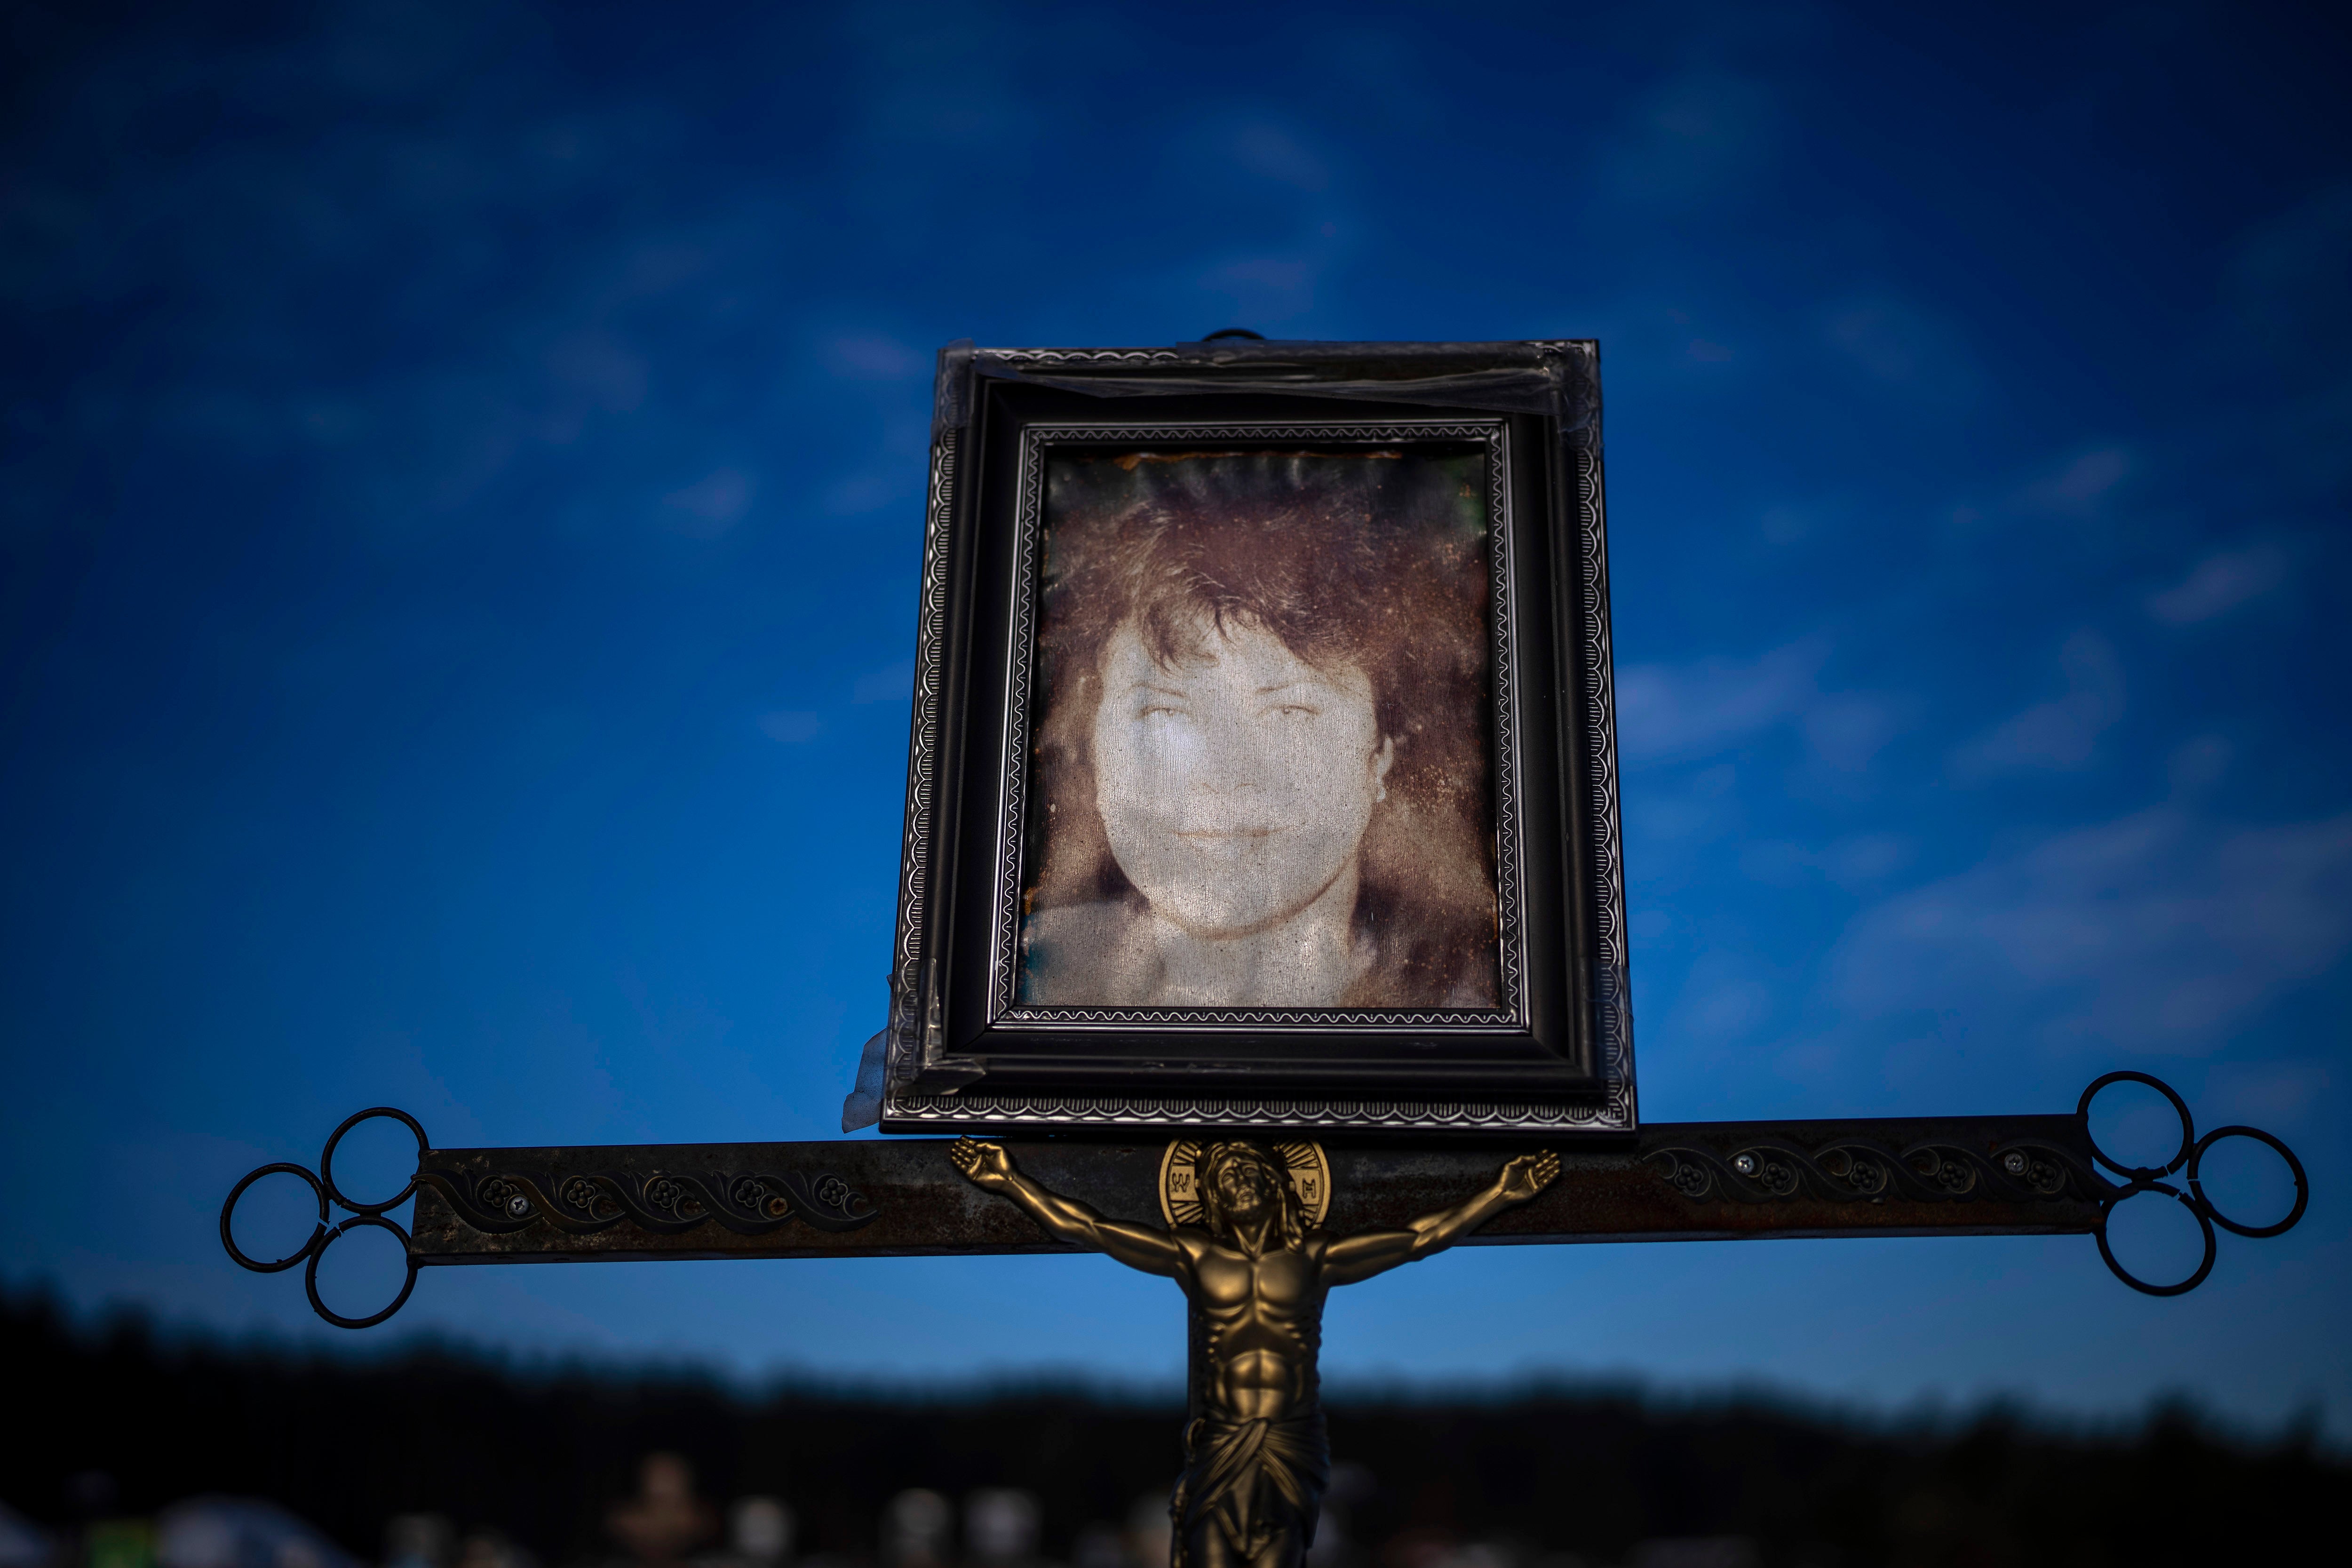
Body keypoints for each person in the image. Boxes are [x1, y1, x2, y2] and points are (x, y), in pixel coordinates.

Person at [1019, 455, 1499, 1009]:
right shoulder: (1003, 984)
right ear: (1095, 749)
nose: (1221, 778)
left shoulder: (1481, 1016)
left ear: (1380, 756)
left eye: (1288, 715)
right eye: (1164, 713)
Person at [948, 1135, 1560, 1568]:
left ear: (1276, 1184)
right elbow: (1087, 1226)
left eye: (1248, 1172)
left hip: (1290, 1441)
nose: (1238, 1182)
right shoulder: (1196, 1257)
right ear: (1211, 1195)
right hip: (1221, 1442)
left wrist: (1503, 1192)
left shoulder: (1313, 1258)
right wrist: (1008, 1180)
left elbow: (1420, 1237)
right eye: (1224, 1177)